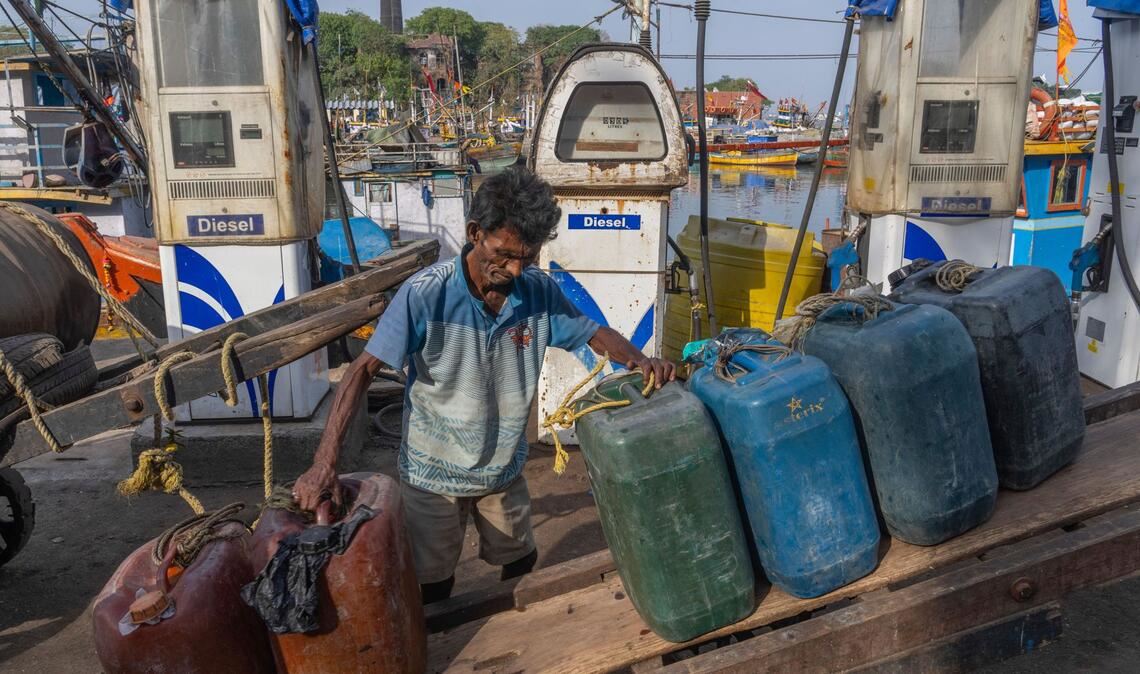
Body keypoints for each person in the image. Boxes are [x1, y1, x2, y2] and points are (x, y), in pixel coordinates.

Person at [294, 166, 675, 603]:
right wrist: (324, 461)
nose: (514, 269)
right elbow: (361, 371)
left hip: (502, 470)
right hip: (432, 475)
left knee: (521, 563)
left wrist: (641, 360)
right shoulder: (426, 293)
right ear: (475, 233)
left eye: (526, 258)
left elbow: (592, 332)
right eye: (504, 254)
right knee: (432, 585)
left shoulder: (537, 290)